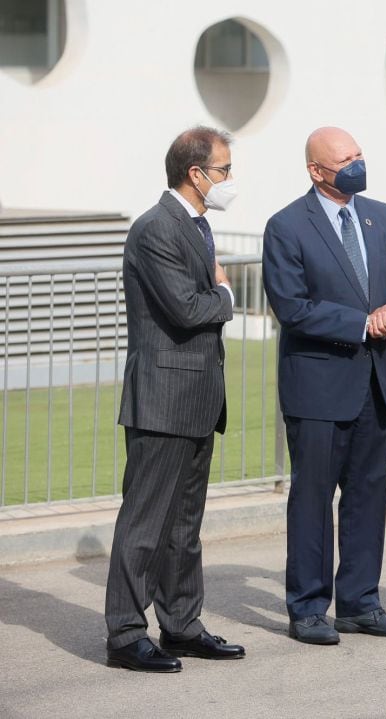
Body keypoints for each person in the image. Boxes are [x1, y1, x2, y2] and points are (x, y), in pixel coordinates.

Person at [262, 127, 386, 645]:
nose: (357, 165)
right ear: (316, 170)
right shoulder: (286, 226)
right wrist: (360, 324)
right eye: (345, 159)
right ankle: (308, 608)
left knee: (367, 496)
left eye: (360, 155)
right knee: (312, 499)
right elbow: (292, 306)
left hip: (375, 382)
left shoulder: (384, 216)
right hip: (318, 389)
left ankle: (360, 603)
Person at [105, 126, 244, 672]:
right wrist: (227, 295)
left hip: (198, 397)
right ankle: (124, 633)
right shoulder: (155, 229)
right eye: (225, 170)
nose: (230, 180)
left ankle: (182, 625)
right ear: (196, 173)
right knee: (145, 523)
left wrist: (215, 293)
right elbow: (187, 309)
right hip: (162, 397)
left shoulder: (197, 225)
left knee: (185, 525)